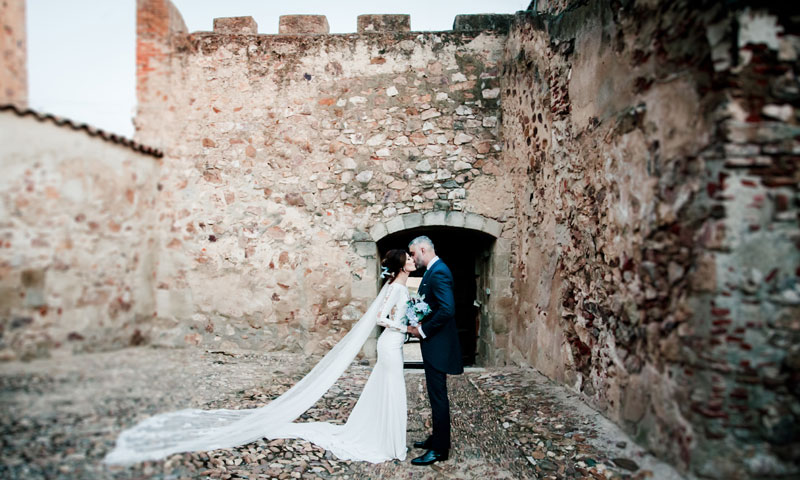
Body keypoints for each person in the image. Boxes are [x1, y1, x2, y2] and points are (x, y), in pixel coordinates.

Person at [104, 249, 417, 465]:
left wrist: (403, 325)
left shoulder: (397, 287)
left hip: (390, 344)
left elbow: (383, 315)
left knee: (386, 388)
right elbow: (381, 318)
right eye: (409, 258)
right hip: (390, 344)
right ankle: (386, 441)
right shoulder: (398, 290)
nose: (413, 260)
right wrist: (405, 325)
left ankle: (384, 437)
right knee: (391, 388)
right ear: (402, 265)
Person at [406, 235, 463, 466]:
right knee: (434, 395)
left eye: (412, 254)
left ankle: (440, 449)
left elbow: (447, 309)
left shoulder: (438, 271)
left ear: (422, 249)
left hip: (438, 345)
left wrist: (423, 330)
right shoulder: (432, 270)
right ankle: (437, 438)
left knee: (438, 397)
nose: (412, 258)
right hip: (434, 345)